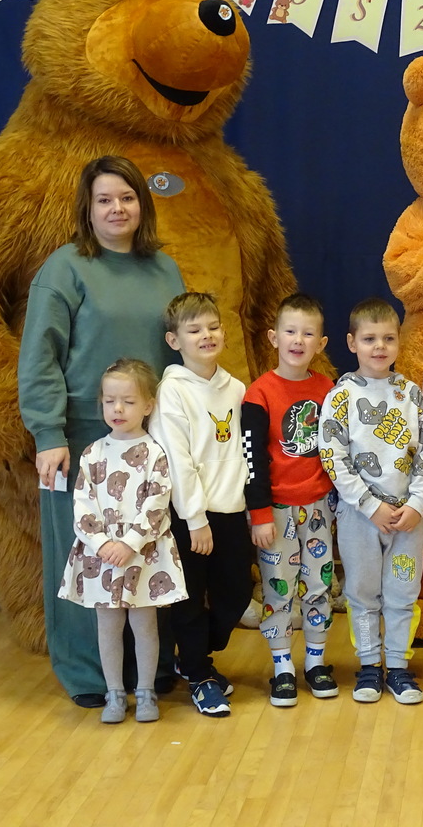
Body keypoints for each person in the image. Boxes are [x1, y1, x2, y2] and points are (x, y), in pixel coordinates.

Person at [18, 155, 185, 707]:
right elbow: (39, 356)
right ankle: (90, 674)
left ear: (143, 204)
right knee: (86, 556)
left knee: (146, 548)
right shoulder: (65, 268)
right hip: (79, 439)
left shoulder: (165, 269)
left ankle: (149, 672)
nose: (117, 208)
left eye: (127, 197)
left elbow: (179, 351)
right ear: (87, 210)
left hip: (151, 437)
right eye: (105, 200)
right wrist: (48, 433)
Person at [150, 292, 266, 717]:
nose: (206, 335)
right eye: (194, 329)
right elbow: (177, 462)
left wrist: (251, 508)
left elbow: (246, 452)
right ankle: (199, 675)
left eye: (213, 327)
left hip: (232, 513)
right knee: (189, 598)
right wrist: (195, 518)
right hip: (190, 518)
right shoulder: (171, 392)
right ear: (174, 340)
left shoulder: (236, 388)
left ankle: (193, 655)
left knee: (236, 594)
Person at [320, 298, 423, 705]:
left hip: (408, 520)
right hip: (360, 519)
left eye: (388, 338)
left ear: (399, 342)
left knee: (403, 592)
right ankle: (369, 664)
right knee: (362, 592)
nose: (379, 347)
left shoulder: (412, 394)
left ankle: (399, 667)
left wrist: (418, 503)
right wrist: (370, 506)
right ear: (352, 343)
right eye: (369, 339)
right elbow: (333, 457)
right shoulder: (341, 396)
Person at [58, 359, 186, 723]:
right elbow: (83, 503)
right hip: (101, 556)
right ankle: (114, 692)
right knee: (108, 625)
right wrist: (101, 543)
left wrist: (129, 543)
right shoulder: (93, 453)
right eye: (110, 401)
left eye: (128, 402)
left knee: (145, 625)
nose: (117, 409)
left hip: (143, 554)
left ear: (147, 406)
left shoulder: (155, 453)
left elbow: (157, 503)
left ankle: (145, 691)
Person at [243, 293, 337, 707]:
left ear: (322, 343)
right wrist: (259, 513)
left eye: (308, 333)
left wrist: (335, 501)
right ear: (274, 337)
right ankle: (282, 667)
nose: (298, 340)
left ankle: (315, 662)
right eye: (291, 331)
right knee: (278, 590)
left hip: (318, 507)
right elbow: (252, 460)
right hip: (276, 511)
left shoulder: (328, 389)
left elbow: (336, 450)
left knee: (319, 584)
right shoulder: (259, 393)